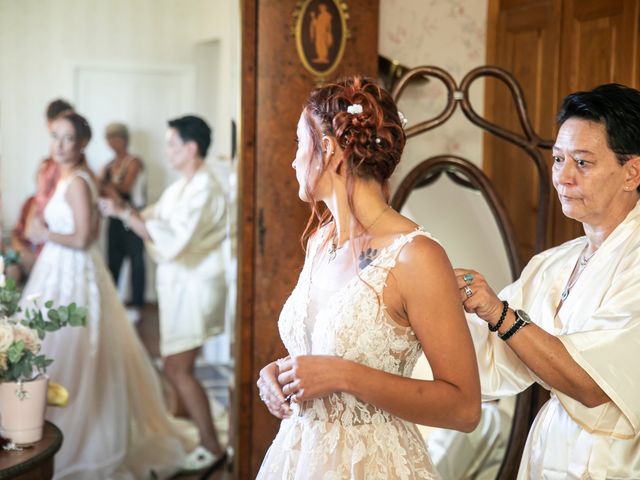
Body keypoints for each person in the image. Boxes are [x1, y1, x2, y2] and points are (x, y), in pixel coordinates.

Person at [255, 76, 481, 479]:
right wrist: (280, 374)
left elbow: (464, 409)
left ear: (328, 149)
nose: (293, 160)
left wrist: (342, 375)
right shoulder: (320, 242)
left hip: (374, 464)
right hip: (298, 455)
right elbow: (323, 344)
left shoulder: (416, 257)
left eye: (298, 144)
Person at [455, 83, 640, 478]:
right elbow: (491, 358)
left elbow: (592, 383)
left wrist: (499, 313)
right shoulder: (552, 265)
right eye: (558, 160)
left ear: (632, 172)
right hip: (548, 456)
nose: (563, 177)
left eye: (583, 163)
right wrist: (417, 315)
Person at [22, 111, 192, 479]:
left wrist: (43, 234)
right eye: (56, 137)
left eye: (69, 138)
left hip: (75, 272)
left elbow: (83, 239)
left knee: (79, 350)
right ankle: (31, 426)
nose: (60, 145)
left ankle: (80, 438)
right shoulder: (62, 175)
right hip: (54, 269)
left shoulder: (81, 181)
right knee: (50, 345)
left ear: (82, 143)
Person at [98, 115, 228, 471]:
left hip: (196, 287)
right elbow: (150, 216)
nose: (166, 150)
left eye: (172, 144)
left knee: (176, 367)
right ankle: (186, 420)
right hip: (180, 286)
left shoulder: (205, 188)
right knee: (176, 364)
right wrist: (126, 211)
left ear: (191, 147)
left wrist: (126, 214)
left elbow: (169, 239)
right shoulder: (183, 185)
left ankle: (211, 445)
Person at [99, 122, 147, 320]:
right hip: (115, 217)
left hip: (133, 215)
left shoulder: (134, 162)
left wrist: (108, 187)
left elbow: (126, 188)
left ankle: (137, 305)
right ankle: (112, 303)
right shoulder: (109, 164)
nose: (110, 141)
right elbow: (100, 186)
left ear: (123, 138)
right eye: (108, 137)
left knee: (136, 261)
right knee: (114, 259)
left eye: (114, 137)